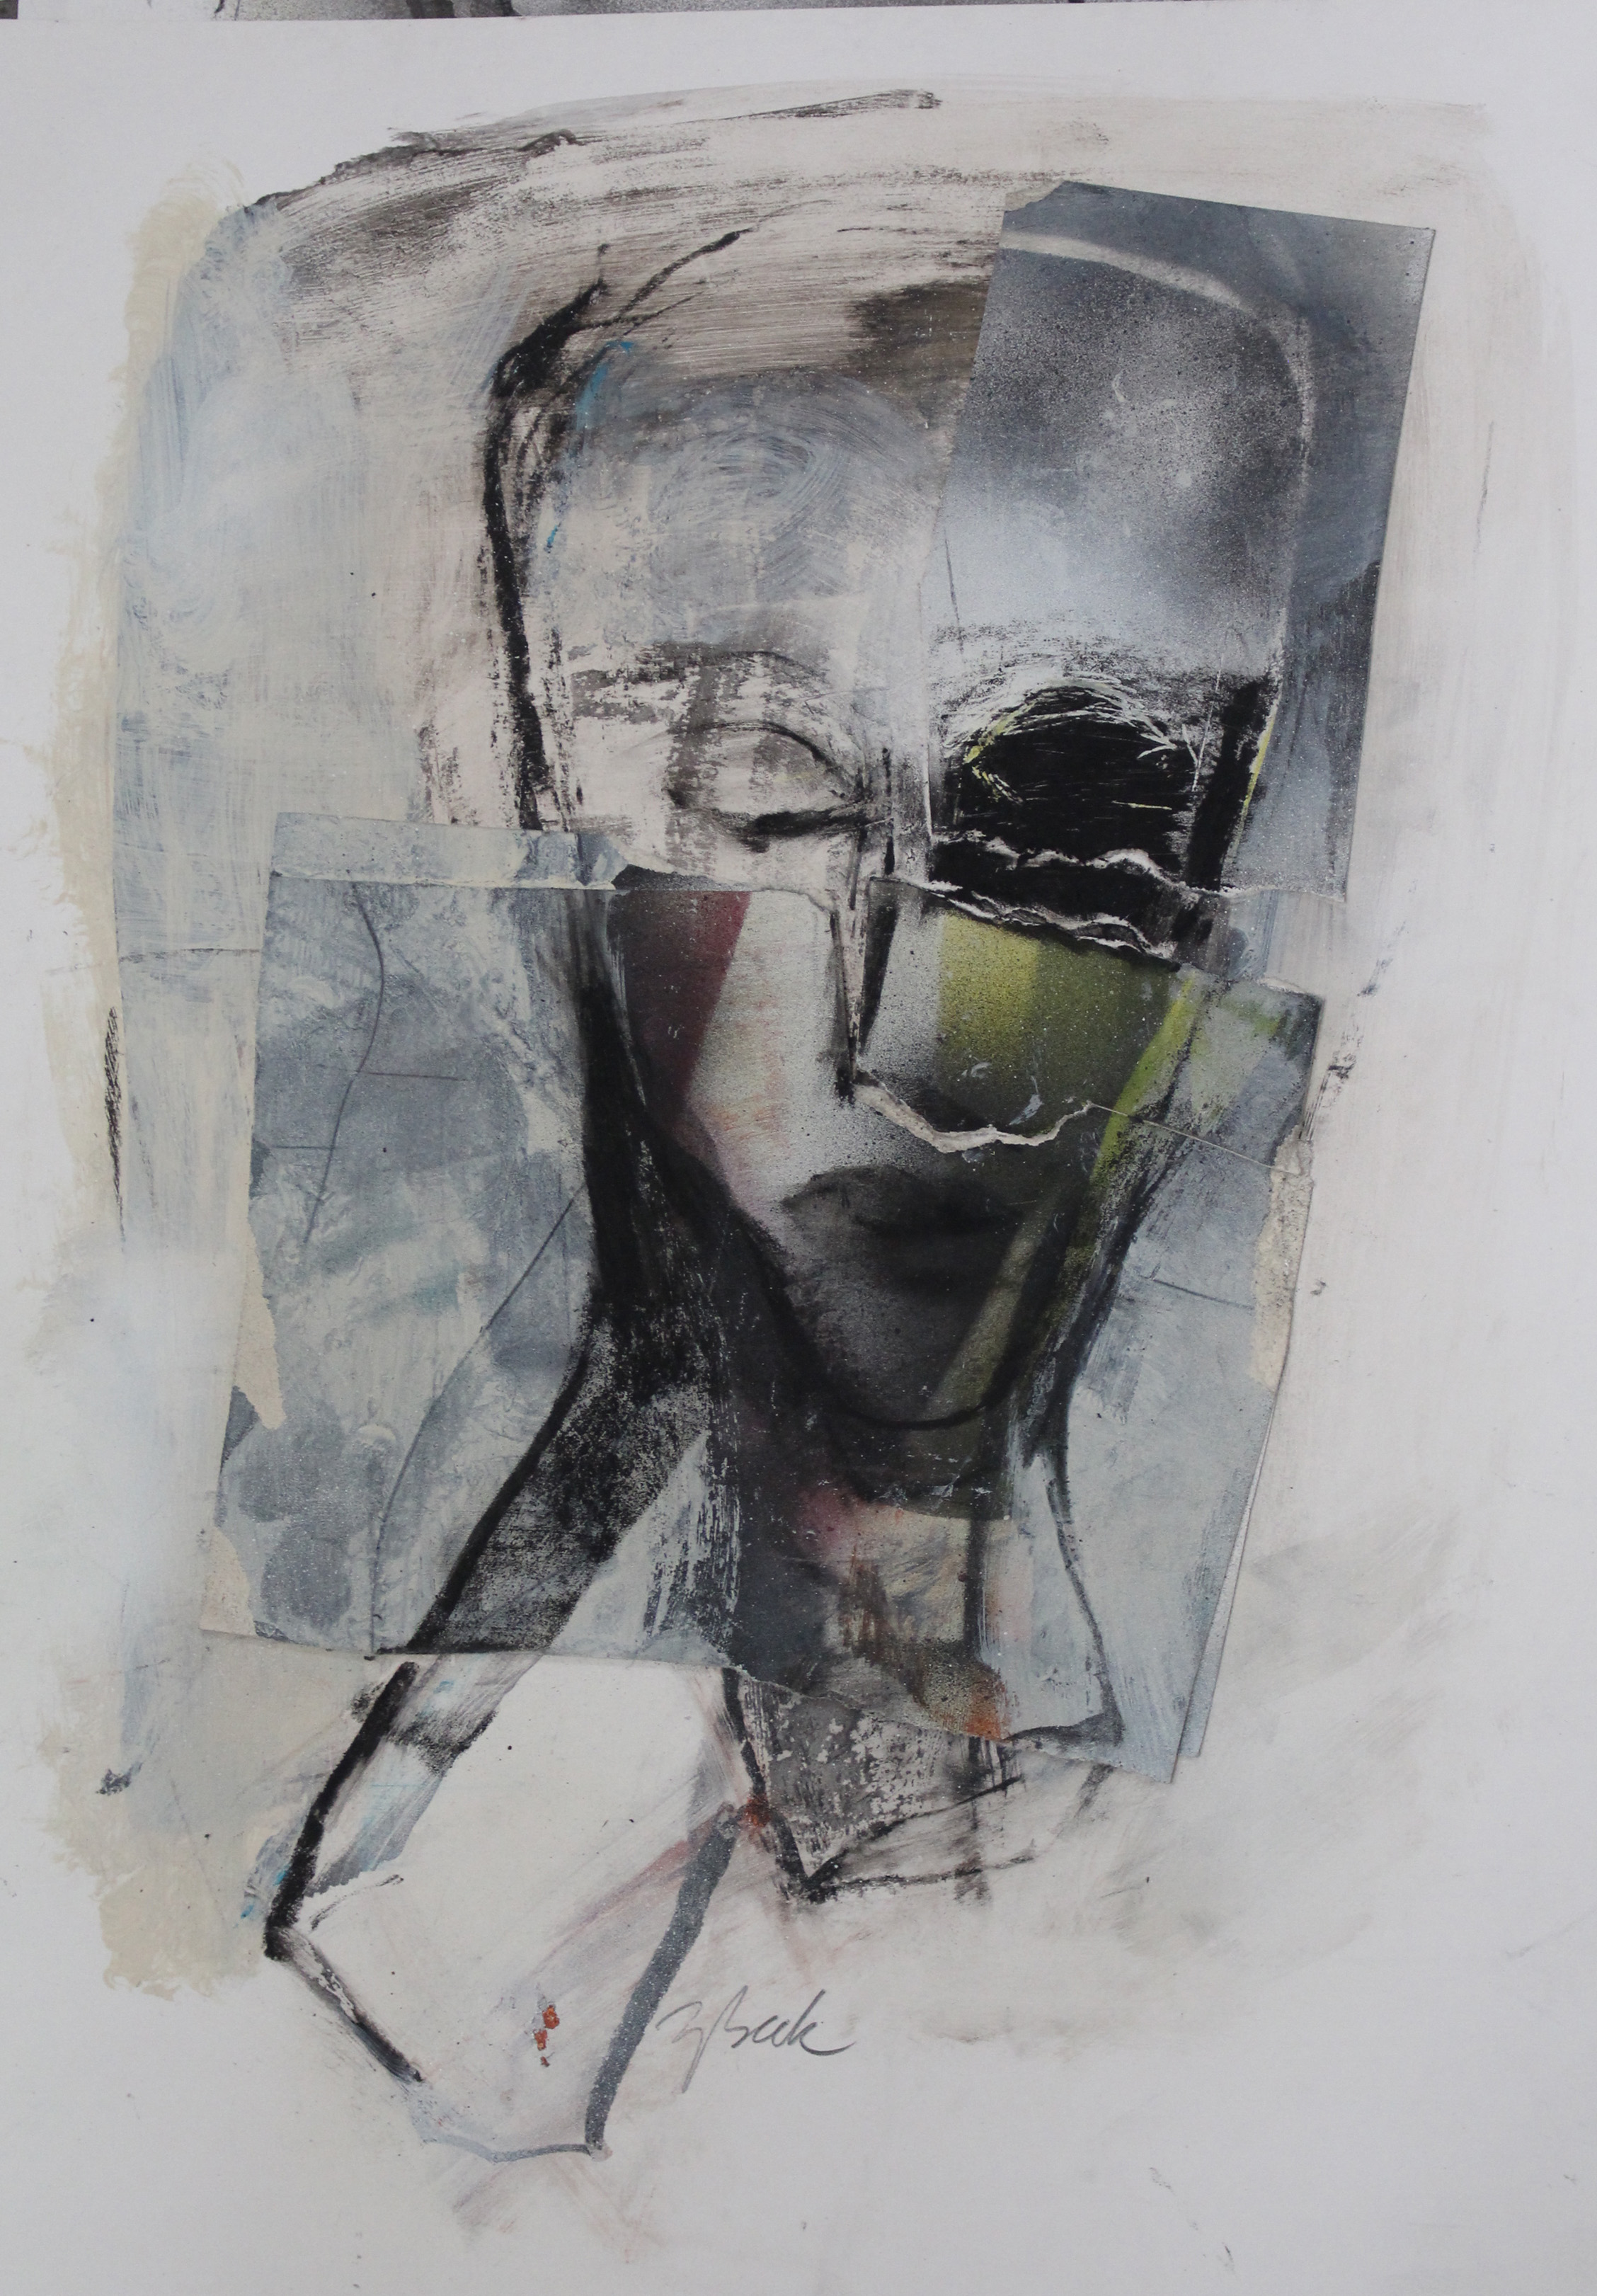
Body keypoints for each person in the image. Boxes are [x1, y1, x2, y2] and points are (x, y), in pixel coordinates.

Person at [263, 215, 1315, 2156]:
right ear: (563, 852)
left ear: (1214, 893)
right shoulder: (438, 1959)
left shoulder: (1350, 1807)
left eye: (1069, 837)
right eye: (770, 802)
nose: (916, 1025)